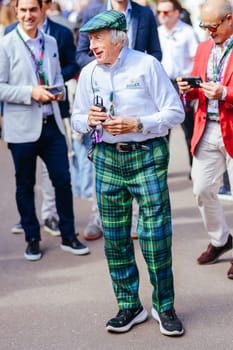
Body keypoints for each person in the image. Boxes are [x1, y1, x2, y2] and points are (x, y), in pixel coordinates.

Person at [72, 9, 185, 335]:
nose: (92, 45)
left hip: (146, 155)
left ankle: (165, 308)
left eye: (97, 38)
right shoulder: (90, 72)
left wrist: (139, 124)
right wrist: (88, 121)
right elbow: (78, 117)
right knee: (116, 240)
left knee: (156, 238)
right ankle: (129, 306)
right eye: (89, 38)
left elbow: (174, 111)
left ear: (118, 37)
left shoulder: (147, 65)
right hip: (107, 158)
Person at [0, 0, 89, 261]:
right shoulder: (5, 44)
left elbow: (57, 77)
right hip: (22, 128)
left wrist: (58, 90)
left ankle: (68, 235)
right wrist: (31, 93)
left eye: (33, 10)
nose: (28, 15)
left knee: (63, 181)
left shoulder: (50, 41)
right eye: (23, 10)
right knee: (25, 185)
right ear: (16, 12)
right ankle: (32, 238)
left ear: (42, 11)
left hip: (53, 125)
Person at [75, 0, 162, 240]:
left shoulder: (144, 13)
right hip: (102, 107)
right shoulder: (92, 11)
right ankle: (98, 216)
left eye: (98, 38)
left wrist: (136, 70)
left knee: (145, 204)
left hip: (138, 103)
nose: (93, 43)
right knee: (100, 172)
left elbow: (155, 50)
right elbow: (81, 53)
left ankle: (135, 221)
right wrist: (102, 68)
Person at [177, 0, 233, 280]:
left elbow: (224, 91)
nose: (208, 31)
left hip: (232, 126)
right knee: (201, 188)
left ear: (229, 20)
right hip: (206, 127)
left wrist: (225, 93)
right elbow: (197, 90)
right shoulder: (203, 48)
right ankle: (221, 239)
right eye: (204, 26)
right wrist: (188, 89)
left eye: (212, 26)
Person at [157, 0, 199, 176]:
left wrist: (190, 85)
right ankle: (160, 170)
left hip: (182, 84)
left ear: (176, 13)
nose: (162, 16)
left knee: (188, 129)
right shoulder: (157, 32)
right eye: (159, 12)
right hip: (163, 84)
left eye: (166, 12)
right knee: (161, 131)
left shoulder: (187, 32)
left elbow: (196, 59)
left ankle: (195, 170)